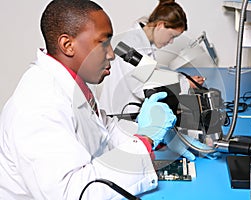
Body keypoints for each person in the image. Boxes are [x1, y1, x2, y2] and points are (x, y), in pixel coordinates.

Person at [0, 0, 177, 199]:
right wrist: (145, 139)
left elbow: (106, 132)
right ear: (68, 45)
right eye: (103, 43)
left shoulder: (72, 85)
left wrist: (152, 135)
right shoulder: (38, 105)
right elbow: (73, 193)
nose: (111, 54)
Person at [98, 0, 206, 116]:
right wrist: (184, 84)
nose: (171, 42)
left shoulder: (141, 42)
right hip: (119, 115)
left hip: (124, 112)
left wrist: (184, 80)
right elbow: (147, 85)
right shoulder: (133, 44)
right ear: (160, 25)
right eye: (171, 36)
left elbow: (151, 73)